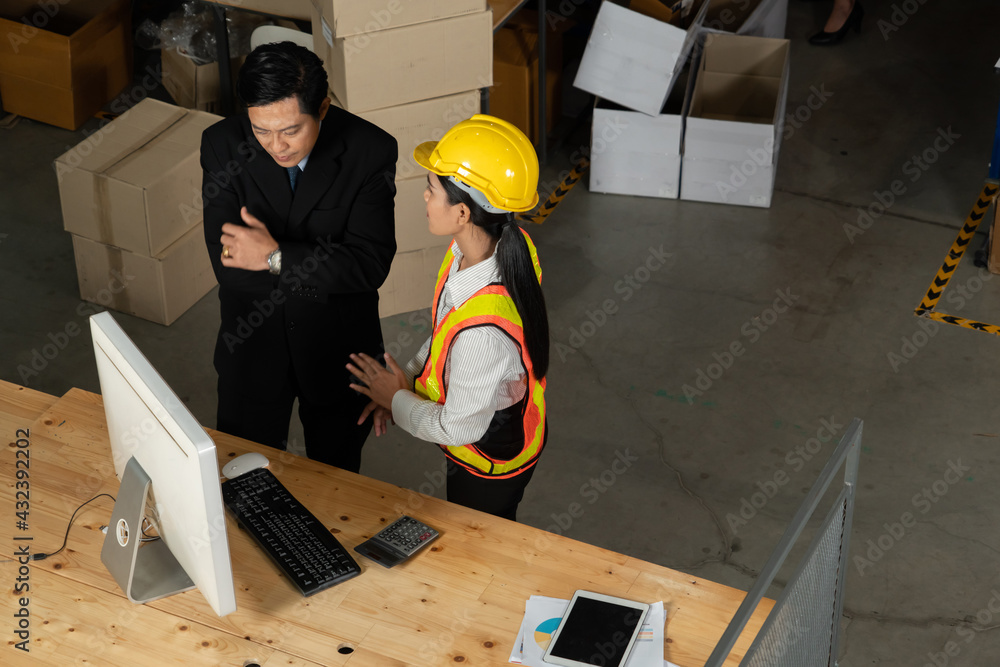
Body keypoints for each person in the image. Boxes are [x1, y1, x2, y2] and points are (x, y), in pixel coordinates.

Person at [200, 41, 397, 472]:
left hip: (339, 350)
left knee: (337, 475)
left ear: (322, 108)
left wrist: (273, 257)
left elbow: (368, 264)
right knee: (239, 474)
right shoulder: (221, 145)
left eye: (290, 130)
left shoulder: (370, 150)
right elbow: (229, 267)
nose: (276, 146)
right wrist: (324, 269)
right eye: (261, 130)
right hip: (252, 346)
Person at [346, 115, 549, 521]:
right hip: (485, 428)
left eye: (430, 188)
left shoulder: (485, 334)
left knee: (480, 549)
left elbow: (459, 429)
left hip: (489, 466)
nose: (423, 197)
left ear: (461, 213)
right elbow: (446, 332)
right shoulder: (483, 251)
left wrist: (396, 399)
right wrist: (404, 382)